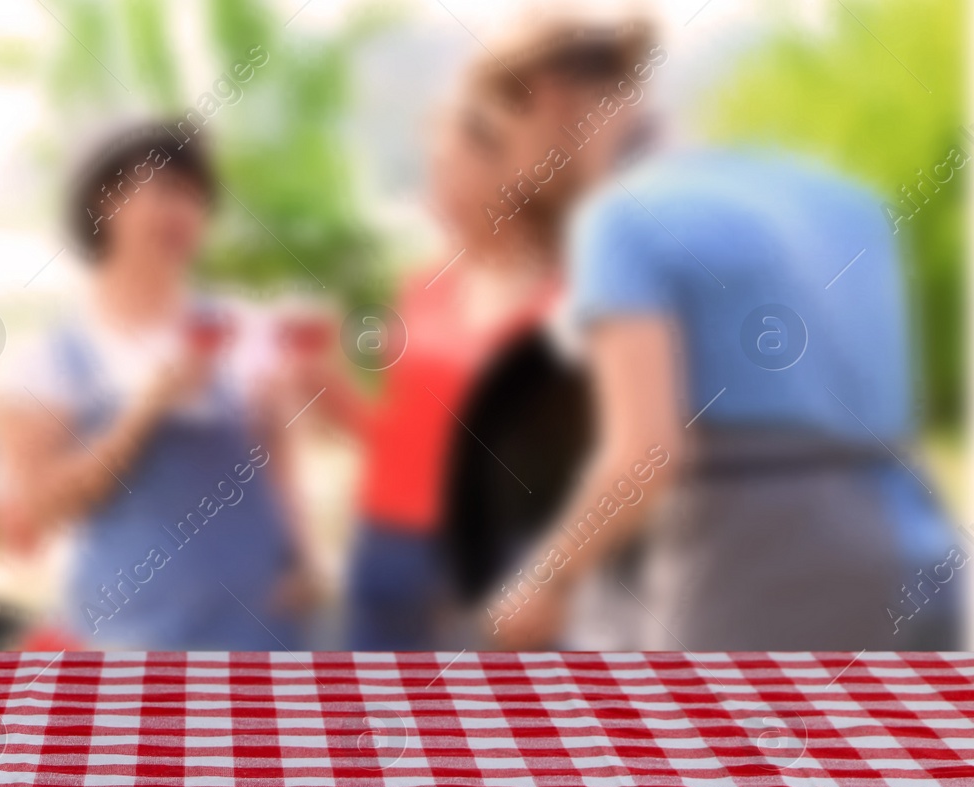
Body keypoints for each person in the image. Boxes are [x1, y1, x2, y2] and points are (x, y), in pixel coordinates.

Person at [469, 15, 961, 651]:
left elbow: (645, 456)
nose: (518, 172)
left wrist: (544, 582)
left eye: (512, 140)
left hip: (758, 559)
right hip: (917, 548)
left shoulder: (619, 218)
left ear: (550, 96)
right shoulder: (849, 201)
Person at [0, 124, 315, 651]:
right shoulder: (46, 363)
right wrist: (146, 410)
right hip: (128, 637)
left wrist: (301, 562)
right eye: (164, 191)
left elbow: (276, 464)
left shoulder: (242, 332)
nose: (182, 212)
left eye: (195, 197)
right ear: (105, 203)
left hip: (262, 631)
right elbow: (41, 509)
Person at [294, 84, 561, 650]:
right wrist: (325, 390)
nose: (432, 187)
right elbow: (390, 435)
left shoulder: (560, 301)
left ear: (509, 170)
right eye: (430, 168)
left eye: (447, 167)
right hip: (386, 551)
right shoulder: (418, 287)